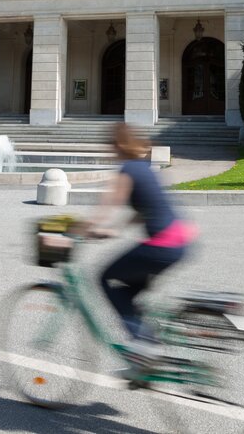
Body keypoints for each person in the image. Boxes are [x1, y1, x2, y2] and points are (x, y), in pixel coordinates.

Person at [86, 123, 197, 348]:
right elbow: (145, 209)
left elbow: (107, 206)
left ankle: (143, 346)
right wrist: (116, 229)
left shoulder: (127, 170)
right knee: (131, 286)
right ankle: (145, 335)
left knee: (105, 277)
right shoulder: (144, 167)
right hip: (180, 241)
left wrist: (81, 229)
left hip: (162, 245)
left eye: (110, 146)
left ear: (117, 145)